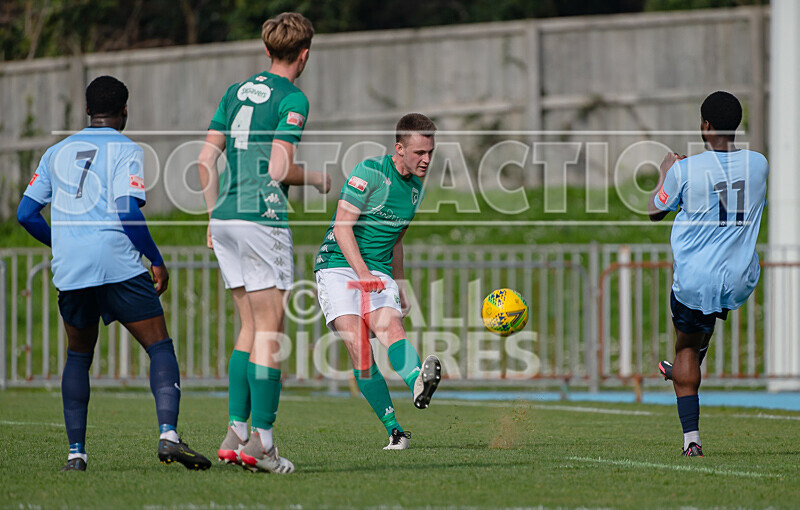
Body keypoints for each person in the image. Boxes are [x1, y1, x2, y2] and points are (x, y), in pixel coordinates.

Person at [16, 75, 211, 472]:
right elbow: (126, 209)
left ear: (87, 110)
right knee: (158, 347)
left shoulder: (55, 152)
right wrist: (154, 257)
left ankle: (76, 454)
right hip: (119, 263)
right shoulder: (126, 149)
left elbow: (24, 213)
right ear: (125, 111)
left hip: (73, 268)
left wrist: (63, 243)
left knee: (77, 357)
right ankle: (169, 435)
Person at [197, 12, 330, 474]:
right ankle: (265, 444)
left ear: (267, 49)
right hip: (262, 218)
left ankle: (236, 433)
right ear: (304, 54)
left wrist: (214, 216)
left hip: (228, 216)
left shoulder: (235, 92)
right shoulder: (293, 97)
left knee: (249, 330)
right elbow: (277, 169)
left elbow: (203, 161)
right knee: (271, 332)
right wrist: (315, 178)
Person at [649, 91, 768, 457]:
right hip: (739, 278)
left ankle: (691, 441)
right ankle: (685, 365)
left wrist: (667, 171)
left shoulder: (685, 170)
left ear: (705, 125)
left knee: (685, 347)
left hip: (697, 278)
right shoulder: (760, 163)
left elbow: (655, 210)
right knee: (706, 318)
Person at [314, 113, 442, 450]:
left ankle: (418, 383)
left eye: (430, 152)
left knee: (391, 328)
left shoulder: (415, 189)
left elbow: (396, 238)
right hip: (339, 265)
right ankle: (394, 429)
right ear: (399, 149)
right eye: (419, 153)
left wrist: (399, 282)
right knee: (359, 346)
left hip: (378, 270)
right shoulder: (369, 173)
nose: (426, 159)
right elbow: (342, 228)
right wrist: (362, 273)